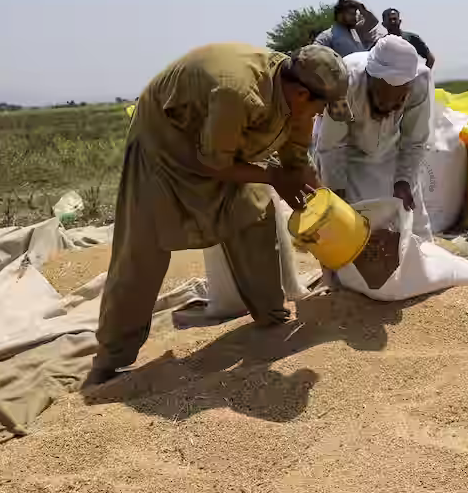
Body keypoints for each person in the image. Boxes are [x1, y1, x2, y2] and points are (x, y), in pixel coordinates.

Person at [85, 43, 351, 386]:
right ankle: (110, 361)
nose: (319, 116)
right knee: (142, 250)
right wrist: (273, 177)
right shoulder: (237, 92)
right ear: (301, 94)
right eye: (320, 108)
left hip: (219, 144)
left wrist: (323, 209)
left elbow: (296, 160)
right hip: (164, 145)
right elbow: (214, 164)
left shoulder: (294, 100)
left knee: (255, 213)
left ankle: (271, 316)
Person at [317, 36, 433, 239]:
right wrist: (337, 193)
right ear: (370, 80)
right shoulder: (345, 82)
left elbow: (415, 140)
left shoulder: (420, 82)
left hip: (390, 149)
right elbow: (333, 146)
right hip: (348, 152)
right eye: (382, 98)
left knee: (413, 227)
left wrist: (404, 180)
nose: (389, 107)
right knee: (352, 228)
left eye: (398, 100)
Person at [313, 0, 387, 57]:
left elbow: (373, 21)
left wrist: (360, 6)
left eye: (355, 14)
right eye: (351, 14)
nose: (355, 17)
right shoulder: (327, 36)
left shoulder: (358, 33)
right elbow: (313, 54)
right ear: (340, 15)